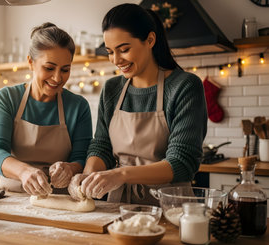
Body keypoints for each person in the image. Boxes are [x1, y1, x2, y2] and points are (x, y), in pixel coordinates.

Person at [69, 4, 207, 205]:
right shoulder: (112, 89)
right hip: (118, 205)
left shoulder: (184, 86)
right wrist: (88, 176)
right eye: (110, 51)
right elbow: (102, 146)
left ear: (150, 40)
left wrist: (121, 174)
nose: (116, 60)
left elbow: (181, 162)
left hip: (171, 207)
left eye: (124, 50)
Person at [0, 22, 92, 196]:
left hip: (59, 200)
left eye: (65, 70)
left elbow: (81, 158)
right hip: (11, 195)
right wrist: (23, 172)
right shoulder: (7, 98)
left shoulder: (78, 106)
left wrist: (70, 168)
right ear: (30, 62)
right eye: (49, 68)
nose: (57, 78)